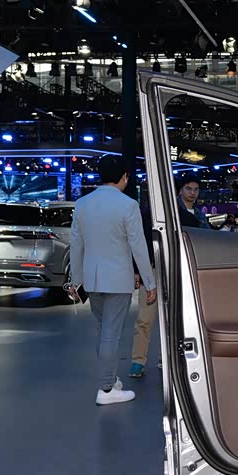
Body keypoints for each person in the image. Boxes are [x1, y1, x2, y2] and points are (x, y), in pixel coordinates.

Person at [70, 155, 156, 406]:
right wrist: (149, 281)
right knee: (111, 334)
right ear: (124, 177)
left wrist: (75, 280)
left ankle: (110, 379)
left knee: (102, 331)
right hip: (118, 278)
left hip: (92, 279)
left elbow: (76, 245)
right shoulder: (128, 205)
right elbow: (138, 246)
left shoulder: (82, 204)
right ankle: (106, 389)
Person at [128, 197, 158, 379]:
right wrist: (137, 270)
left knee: (175, 319)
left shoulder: (182, 215)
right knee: (144, 318)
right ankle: (138, 360)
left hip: (175, 270)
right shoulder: (143, 215)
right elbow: (136, 243)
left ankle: (166, 358)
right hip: (149, 270)